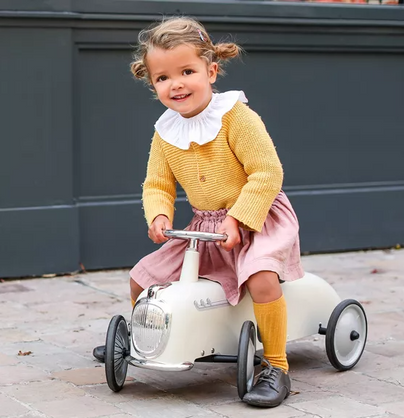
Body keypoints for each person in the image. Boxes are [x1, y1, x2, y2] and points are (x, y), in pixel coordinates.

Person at [93, 16, 304, 408]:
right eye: (162, 78)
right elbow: (157, 183)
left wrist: (239, 217)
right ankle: (145, 336)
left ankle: (276, 365)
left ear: (211, 70)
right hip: (204, 226)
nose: (176, 84)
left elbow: (267, 172)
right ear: (151, 82)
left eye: (187, 71)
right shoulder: (165, 131)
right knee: (142, 278)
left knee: (260, 278)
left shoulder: (236, 118)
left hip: (256, 215)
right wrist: (158, 215)